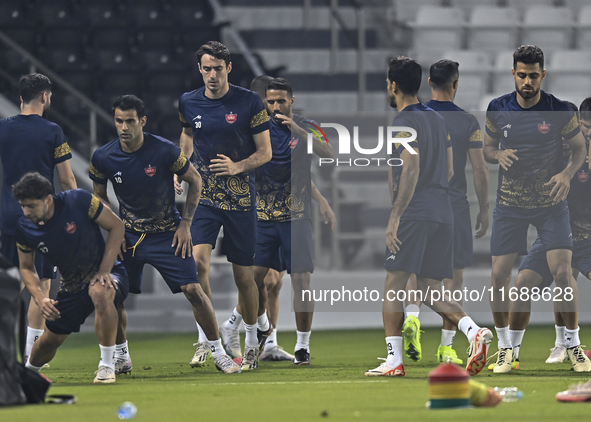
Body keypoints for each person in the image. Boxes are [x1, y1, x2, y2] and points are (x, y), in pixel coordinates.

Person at [90, 95, 239, 374]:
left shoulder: (165, 150)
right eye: (119, 121)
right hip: (128, 237)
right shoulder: (103, 156)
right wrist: (115, 229)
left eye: (130, 121)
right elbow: (100, 199)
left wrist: (185, 224)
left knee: (194, 290)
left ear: (142, 121)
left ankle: (218, 352)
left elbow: (196, 180)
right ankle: (121, 356)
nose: (124, 127)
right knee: (113, 296)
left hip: (168, 234)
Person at [364, 56, 493, 377]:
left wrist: (395, 217)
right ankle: (473, 331)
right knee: (431, 288)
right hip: (444, 212)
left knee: (394, 284)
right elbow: (450, 169)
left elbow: (410, 167)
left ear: (392, 85)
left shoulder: (403, 122)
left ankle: (394, 361)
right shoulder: (436, 119)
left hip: (416, 213)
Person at [483, 45, 588, 373]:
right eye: (522, 74)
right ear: (513, 73)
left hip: (551, 207)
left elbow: (578, 149)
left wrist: (567, 174)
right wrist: (497, 155)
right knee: (501, 276)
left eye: (533, 75)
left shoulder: (558, 111)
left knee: (562, 272)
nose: (527, 80)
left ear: (542, 75)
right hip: (510, 205)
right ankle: (505, 348)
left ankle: (572, 345)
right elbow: (486, 148)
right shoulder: (497, 108)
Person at [219, 77, 334, 365]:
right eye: (270, 101)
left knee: (301, 281)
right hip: (262, 217)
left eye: (281, 101)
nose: (275, 106)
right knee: (253, 279)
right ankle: (257, 331)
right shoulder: (257, 130)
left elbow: (328, 153)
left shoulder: (308, 126)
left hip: (297, 218)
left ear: (291, 101)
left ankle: (302, 345)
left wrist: (295, 128)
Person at [177, 41, 272, 370]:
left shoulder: (249, 102)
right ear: (199, 69)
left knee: (244, 278)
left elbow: (265, 152)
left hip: (241, 199)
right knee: (197, 264)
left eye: (218, 68)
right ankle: (207, 339)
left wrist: (238, 166)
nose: (212, 74)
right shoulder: (188, 101)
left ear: (229, 68)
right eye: (206, 68)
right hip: (203, 197)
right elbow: (188, 136)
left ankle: (249, 342)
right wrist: (182, 166)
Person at [403, 59, 489, 365]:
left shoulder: (417, 116)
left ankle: (411, 315)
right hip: (454, 205)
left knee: (413, 270)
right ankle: (446, 346)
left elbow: (402, 163)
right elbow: (479, 170)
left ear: (429, 84)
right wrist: (484, 208)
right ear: (456, 84)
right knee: (452, 278)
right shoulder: (467, 122)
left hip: (418, 203)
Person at [15, 172, 126, 384]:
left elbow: (117, 226)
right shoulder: (24, 228)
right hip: (71, 287)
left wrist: (104, 270)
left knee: (100, 291)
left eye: (31, 206)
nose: (26, 212)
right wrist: (40, 298)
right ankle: (26, 376)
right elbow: (27, 268)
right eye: (23, 206)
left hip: (108, 273)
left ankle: (107, 366)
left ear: (47, 199)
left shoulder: (78, 200)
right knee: (47, 343)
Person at [507, 98, 591, 372]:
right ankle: (513, 351)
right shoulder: (544, 153)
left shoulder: (585, 155)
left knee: (565, 277)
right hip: (556, 234)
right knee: (522, 284)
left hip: (587, 236)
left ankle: (569, 343)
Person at [0, 73, 77, 363]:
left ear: (21, 97)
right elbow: (68, 179)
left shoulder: (2, 129)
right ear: (45, 97)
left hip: (9, 218)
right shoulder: (52, 131)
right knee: (42, 285)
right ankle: (31, 358)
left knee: (13, 282)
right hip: (42, 219)